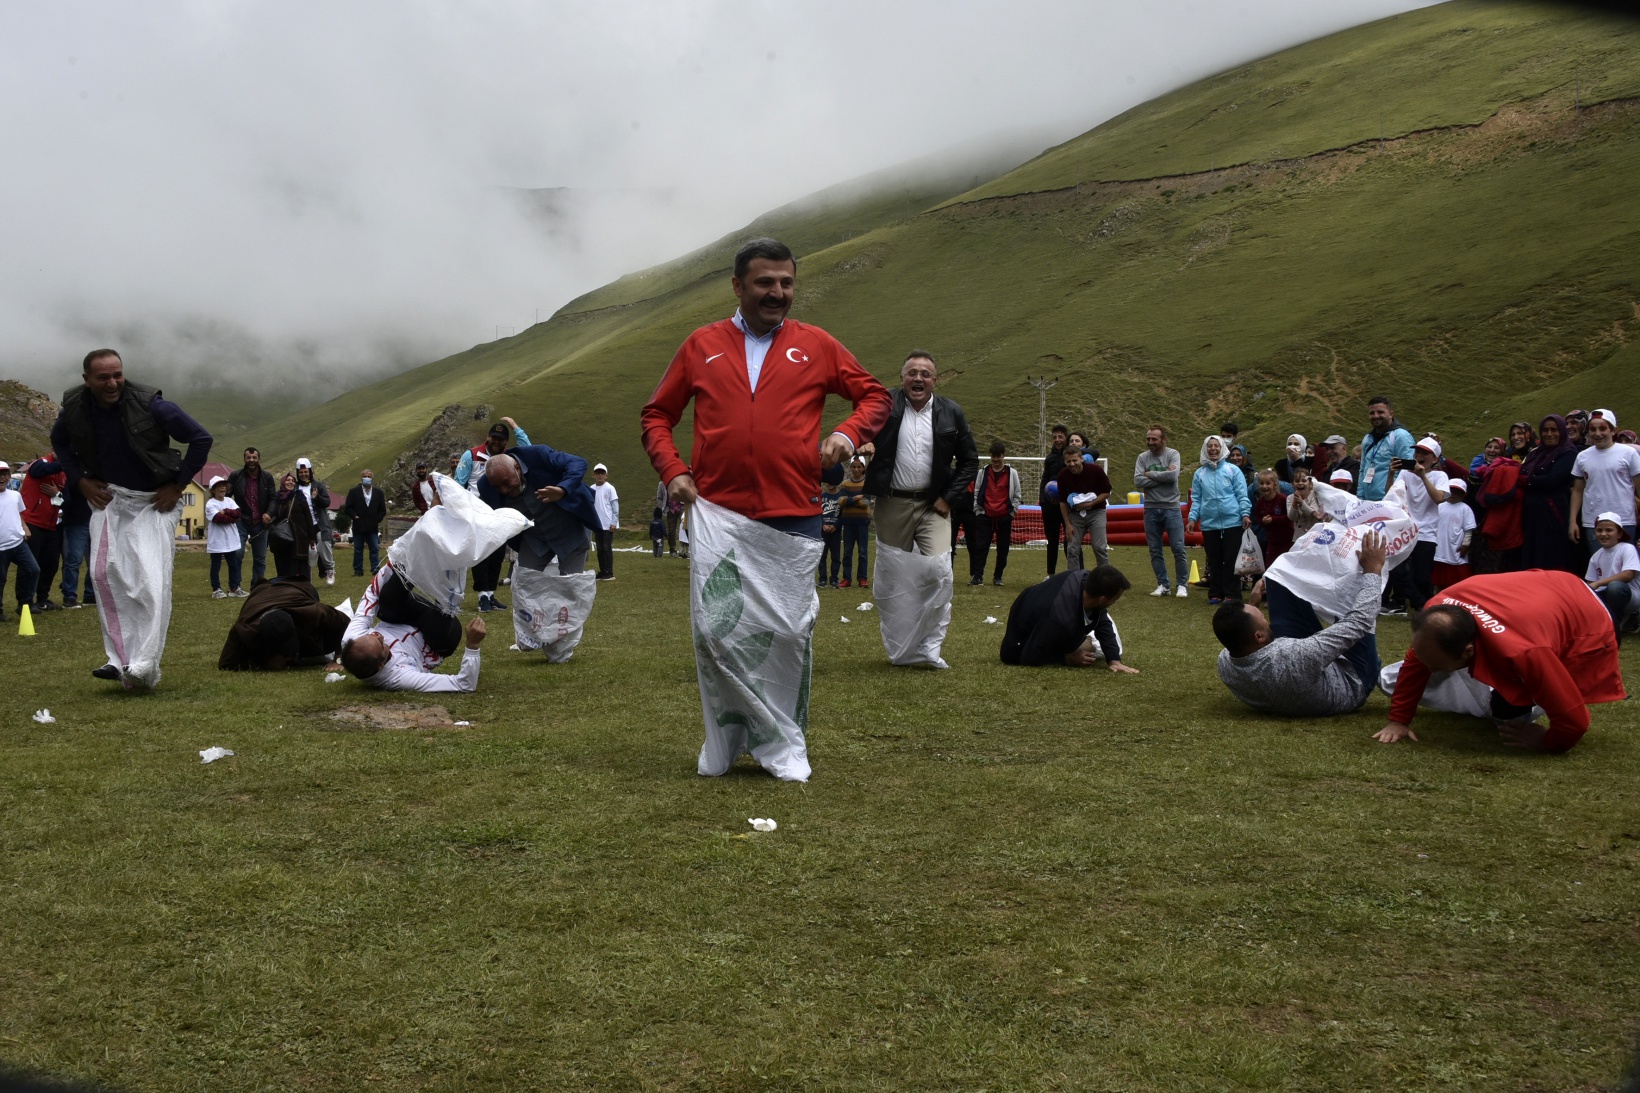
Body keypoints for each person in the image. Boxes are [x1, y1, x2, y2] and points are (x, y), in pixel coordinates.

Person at [640, 236, 892, 782]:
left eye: (786, 283)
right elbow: (657, 415)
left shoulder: (816, 344)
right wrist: (673, 469)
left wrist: (848, 434)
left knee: (787, 635)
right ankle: (727, 740)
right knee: (716, 634)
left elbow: (875, 396)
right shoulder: (702, 344)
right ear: (738, 286)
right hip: (720, 513)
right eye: (765, 282)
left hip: (794, 511)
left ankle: (783, 745)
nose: (778, 292)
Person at [48, 348, 213, 689]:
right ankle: (118, 659)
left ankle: (144, 664)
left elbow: (201, 438)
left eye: (117, 375)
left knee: (150, 583)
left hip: (154, 502)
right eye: (103, 377)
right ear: (87, 380)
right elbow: (59, 442)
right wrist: (80, 479)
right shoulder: (75, 406)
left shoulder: (151, 404)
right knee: (105, 576)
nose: (112, 383)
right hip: (110, 499)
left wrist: (177, 485)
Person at [1376, 570, 1624, 752]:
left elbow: (1574, 721)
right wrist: (1399, 720)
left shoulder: (1525, 652)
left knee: (1507, 712)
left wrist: (1547, 742)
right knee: (1397, 678)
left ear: (1468, 651)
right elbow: (1415, 665)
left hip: (1590, 616)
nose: (1429, 668)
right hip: (1551, 586)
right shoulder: (1438, 613)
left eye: (1437, 666)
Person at [1213, 530, 1386, 716]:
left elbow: (1241, 633)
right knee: (1352, 602)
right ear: (1259, 637)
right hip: (1353, 678)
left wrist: (1258, 594)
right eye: (1263, 618)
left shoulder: (1226, 661)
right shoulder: (1294, 657)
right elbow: (1360, 621)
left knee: (1276, 579)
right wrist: (1373, 570)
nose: (1267, 619)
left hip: (1295, 677)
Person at [858, 351, 978, 558]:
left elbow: (970, 461)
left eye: (925, 374)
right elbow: (859, 425)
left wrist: (948, 498)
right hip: (892, 504)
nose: (918, 378)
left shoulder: (952, 412)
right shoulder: (883, 403)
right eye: (912, 373)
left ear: (934, 381)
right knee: (893, 568)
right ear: (902, 378)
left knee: (938, 566)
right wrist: (864, 440)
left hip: (933, 505)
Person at [341, 563, 487, 692]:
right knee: (438, 625)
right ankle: (453, 567)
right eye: (381, 643)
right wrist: (472, 645)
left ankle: (417, 556)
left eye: (373, 634)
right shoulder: (399, 676)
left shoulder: (352, 638)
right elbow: (464, 684)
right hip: (436, 640)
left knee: (387, 600)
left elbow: (372, 594)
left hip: (407, 617)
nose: (379, 635)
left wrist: (396, 559)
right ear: (381, 666)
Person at [476, 448, 601, 576]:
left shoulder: (537, 455)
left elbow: (578, 462)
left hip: (570, 532)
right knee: (524, 580)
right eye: (497, 486)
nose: (503, 490)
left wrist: (562, 489)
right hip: (534, 540)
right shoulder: (485, 486)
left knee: (572, 582)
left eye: (506, 482)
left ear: (517, 468)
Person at [999, 563, 1139, 672]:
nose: (1115, 602)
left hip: (1044, 615)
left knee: (1097, 646)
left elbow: (1103, 623)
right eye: (1115, 599)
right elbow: (1030, 656)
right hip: (1020, 644)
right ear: (1103, 599)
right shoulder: (1058, 617)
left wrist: (1114, 660)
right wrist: (1066, 659)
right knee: (1089, 650)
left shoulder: (1085, 580)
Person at [456, 416, 530, 609]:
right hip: (476, 512)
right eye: (494, 438)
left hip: (500, 512)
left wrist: (515, 427)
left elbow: (528, 450)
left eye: (501, 439)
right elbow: (459, 484)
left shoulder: (508, 457)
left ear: (506, 441)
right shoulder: (471, 455)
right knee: (481, 554)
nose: (497, 442)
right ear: (487, 437)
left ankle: (490, 594)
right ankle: (482, 596)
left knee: (498, 554)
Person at [218, 575, 348, 670]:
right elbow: (227, 664)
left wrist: (338, 659)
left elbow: (345, 623)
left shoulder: (312, 611)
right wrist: (262, 663)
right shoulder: (245, 630)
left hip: (296, 586)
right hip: (262, 590)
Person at [1381, 436, 1449, 615]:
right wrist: (1391, 473)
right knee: (1396, 569)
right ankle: (1421, 604)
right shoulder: (1405, 474)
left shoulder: (1439, 476)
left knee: (1421, 577)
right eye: (1417, 452)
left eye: (1425, 453)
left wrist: (1423, 476)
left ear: (1434, 459)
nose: (1419, 455)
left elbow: (1439, 498)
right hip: (1406, 530)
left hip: (1427, 532)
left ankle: (1427, 606)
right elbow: (1390, 496)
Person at [1187, 436, 1252, 605]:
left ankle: (1232, 594)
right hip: (1210, 523)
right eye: (1210, 446)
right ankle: (1216, 593)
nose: (1213, 449)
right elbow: (1196, 499)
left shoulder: (1233, 470)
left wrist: (1245, 514)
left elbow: (1242, 494)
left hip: (1233, 522)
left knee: (1231, 559)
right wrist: (1192, 518)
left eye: (1216, 445)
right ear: (1205, 449)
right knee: (1214, 559)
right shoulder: (1200, 473)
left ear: (1222, 448)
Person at [1569, 409, 1640, 554]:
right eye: (1593, 429)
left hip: (1624, 520)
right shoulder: (1582, 457)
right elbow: (1577, 490)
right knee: (1599, 562)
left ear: (1613, 431)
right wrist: (1572, 521)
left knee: (1625, 563)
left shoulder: (1629, 453)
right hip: (1593, 521)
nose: (1597, 434)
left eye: (1602, 428)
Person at [1518, 413, 1580, 574]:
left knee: (1552, 558)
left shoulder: (1568, 453)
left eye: (1554, 430)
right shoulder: (1535, 454)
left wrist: (1528, 481)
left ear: (1562, 431)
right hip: (1532, 516)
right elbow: (1522, 473)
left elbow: (1555, 479)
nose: (1549, 434)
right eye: (1545, 430)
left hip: (1554, 515)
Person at [1135, 425, 1188, 598]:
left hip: (1171, 507)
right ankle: (1163, 584)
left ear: (1163, 440)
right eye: (1148, 439)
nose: (1150, 442)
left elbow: (1172, 477)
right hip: (1150, 508)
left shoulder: (1173, 454)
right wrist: (1162, 477)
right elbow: (1137, 481)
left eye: (1154, 439)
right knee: (1155, 549)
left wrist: (1149, 474)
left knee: (1178, 548)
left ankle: (1182, 585)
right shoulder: (1142, 457)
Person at [1056, 435, 1112, 571]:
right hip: (1076, 514)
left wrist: (1090, 504)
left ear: (1081, 458)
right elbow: (1062, 502)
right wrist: (1067, 525)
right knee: (1072, 549)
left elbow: (1106, 492)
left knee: (1099, 547)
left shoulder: (1096, 470)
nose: (1072, 464)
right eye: (1068, 461)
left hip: (1096, 512)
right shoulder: (1063, 475)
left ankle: (1104, 577)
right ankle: (1073, 578)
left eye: (1074, 460)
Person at [19, 453, 66, 612]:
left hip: (52, 525)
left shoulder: (63, 474)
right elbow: (40, 470)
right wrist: (68, 460)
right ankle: (24, 601)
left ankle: (42, 599)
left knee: (51, 563)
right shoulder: (41, 463)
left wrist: (56, 494)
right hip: (32, 522)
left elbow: (65, 500)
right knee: (30, 564)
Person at [969, 441, 1020, 587]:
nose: (996, 459)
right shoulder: (983, 472)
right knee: (980, 547)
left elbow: (1017, 494)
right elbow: (977, 492)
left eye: (998, 456)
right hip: (985, 515)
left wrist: (1012, 512)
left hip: (1004, 516)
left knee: (1003, 549)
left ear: (1003, 456)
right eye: (993, 456)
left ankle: (998, 576)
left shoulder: (1012, 473)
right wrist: (978, 511)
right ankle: (977, 576)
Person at [1585, 513, 1638, 643]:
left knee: (1615, 587)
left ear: (1619, 534)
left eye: (1609, 530)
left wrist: (1599, 583)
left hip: (1630, 596)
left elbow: (1628, 575)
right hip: (1607, 595)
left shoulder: (1627, 548)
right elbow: (1590, 583)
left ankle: (1614, 627)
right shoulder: (1596, 556)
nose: (1603, 534)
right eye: (1599, 530)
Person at [227, 447, 276, 586]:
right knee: (237, 553)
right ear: (244, 459)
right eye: (248, 457)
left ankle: (257, 587)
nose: (251, 460)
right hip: (240, 520)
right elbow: (226, 497)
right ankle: (235, 586)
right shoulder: (235, 476)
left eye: (254, 457)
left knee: (260, 558)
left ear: (259, 459)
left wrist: (269, 513)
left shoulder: (267, 477)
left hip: (261, 522)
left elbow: (273, 498)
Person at [1358, 395, 1416, 502]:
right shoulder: (1368, 439)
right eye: (1372, 413)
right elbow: (1363, 470)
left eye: (1380, 412)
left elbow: (1408, 470)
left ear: (1391, 414)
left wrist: (1396, 498)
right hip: (1368, 501)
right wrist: (1360, 497)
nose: (1376, 416)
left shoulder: (1400, 436)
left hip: (1391, 500)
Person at [0, 462, 37, 623]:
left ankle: (25, 604)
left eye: (4, 474)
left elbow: (18, 513)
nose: (1, 478)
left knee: (33, 570)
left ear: (9, 477)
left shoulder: (15, 495)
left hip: (17, 543)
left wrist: (25, 527)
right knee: (1, 579)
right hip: (1, 547)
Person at [294, 458, 336, 585]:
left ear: (310, 471)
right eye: (301, 472)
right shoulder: (295, 488)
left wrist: (317, 497)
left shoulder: (318, 486)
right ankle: (307, 578)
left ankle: (330, 570)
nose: (303, 474)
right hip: (303, 525)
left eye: (306, 472)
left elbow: (327, 502)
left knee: (324, 543)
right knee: (307, 551)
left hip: (319, 523)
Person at [1431, 478, 1476, 592]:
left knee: (1457, 578)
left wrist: (1465, 545)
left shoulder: (1465, 509)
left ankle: (1456, 595)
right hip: (1439, 548)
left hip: (1455, 548)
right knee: (1438, 577)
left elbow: (1468, 529)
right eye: (1450, 491)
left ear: (1464, 495)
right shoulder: (1440, 506)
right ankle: (1437, 595)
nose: (1453, 495)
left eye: (1457, 492)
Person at [204, 475, 245, 598]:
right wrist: (232, 518)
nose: (222, 488)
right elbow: (218, 518)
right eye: (219, 486)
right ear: (213, 490)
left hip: (230, 539)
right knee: (216, 565)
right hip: (217, 540)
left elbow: (238, 514)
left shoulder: (229, 501)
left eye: (224, 486)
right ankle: (216, 589)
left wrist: (226, 511)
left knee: (233, 564)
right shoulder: (210, 504)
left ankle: (234, 588)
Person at [268, 472, 314, 580]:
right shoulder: (277, 497)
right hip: (282, 537)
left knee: (298, 565)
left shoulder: (299, 496)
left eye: (293, 481)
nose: (291, 482)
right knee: (283, 564)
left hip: (299, 537)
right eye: (288, 480)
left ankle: (302, 586)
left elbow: (308, 516)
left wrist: (312, 538)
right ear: (283, 482)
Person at [344, 468, 388, 577]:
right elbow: (348, 507)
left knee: (374, 548)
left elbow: (382, 510)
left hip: (372, 526)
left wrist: (377, 519)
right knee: (358, 549)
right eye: (364, 476)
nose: (367, 478)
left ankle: (375, 569)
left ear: (372, 478)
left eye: (369, 476)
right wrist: (354, 516)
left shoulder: (378, 493)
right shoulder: (354, 492)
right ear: (361, 478)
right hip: (358, 525)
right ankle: (358, 570)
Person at [838, 456, 872, 588]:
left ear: (863, 468)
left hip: (862, 522)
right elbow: (840, 501)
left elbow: (866, 503)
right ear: (850, 467)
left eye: (859, 467)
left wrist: (849, 500)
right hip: (848, 522)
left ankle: (862, 578)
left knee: (863, 552)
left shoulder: (867, 483)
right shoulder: (845, 483)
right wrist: (855, 498)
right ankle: (847, 578)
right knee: (847, 552)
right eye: (854, 466)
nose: (856, 469)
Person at [1041, 424, 1070, 576]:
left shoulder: (1072, 456)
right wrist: (1043, 502)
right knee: (1052, 541)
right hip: (1051, 507)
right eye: (1054, 437)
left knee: (1070, 540)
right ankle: (1050, 574)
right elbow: (1044, 479)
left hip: (1068, 505)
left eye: (1060, 437)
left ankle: (1075, 572)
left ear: (1066, 437)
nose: (1057, 440)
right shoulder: (1050, 458)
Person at [1252, 469, 1293, 567]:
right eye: (1261, 483)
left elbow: (1290, 517)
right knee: (1270, 566)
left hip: (1287, 539)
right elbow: (1258, 519)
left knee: (1286, 565)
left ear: (1274, 484)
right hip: (1272, 541)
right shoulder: (1259, 503)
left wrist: (1273, 519)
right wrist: (1263, 521)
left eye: (1268, 483)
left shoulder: (1282, 499)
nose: (1264, 486)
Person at [588, 462, 619, 581]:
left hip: (608, 523)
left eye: (602, 473)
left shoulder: (610, 488)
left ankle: (609, 572)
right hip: (597, 524)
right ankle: (602, 571)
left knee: (606, 548)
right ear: (593, 475)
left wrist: (614, 522)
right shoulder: (591, 488)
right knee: (600, 549)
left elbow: (615, 506)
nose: (600, 475)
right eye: (597, 473)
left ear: (606, 475)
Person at [818, 470, 842, 588]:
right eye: (827, 482)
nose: (829, 484)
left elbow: (843, 514)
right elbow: (818, 513)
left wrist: (835, 525)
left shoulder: (841, 497)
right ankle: (822, 579)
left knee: (835, 556)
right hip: (823, 530)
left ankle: (834, 579)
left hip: (836, 531)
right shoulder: (822, 497)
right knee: (822, 555)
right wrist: (823, 524)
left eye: (832, 482)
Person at [1288, 467, 1326, 540]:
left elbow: (1314, 513)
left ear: (1310, 483)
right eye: (1297, 481)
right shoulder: (1290, 498)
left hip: (1315, 535)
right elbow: (1292, 518)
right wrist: (1295, 504)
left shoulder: (1314, 495)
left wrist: (1302, 503)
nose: (1300, 483)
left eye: (1304, 481)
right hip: (1299, 537)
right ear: (1292, 484)